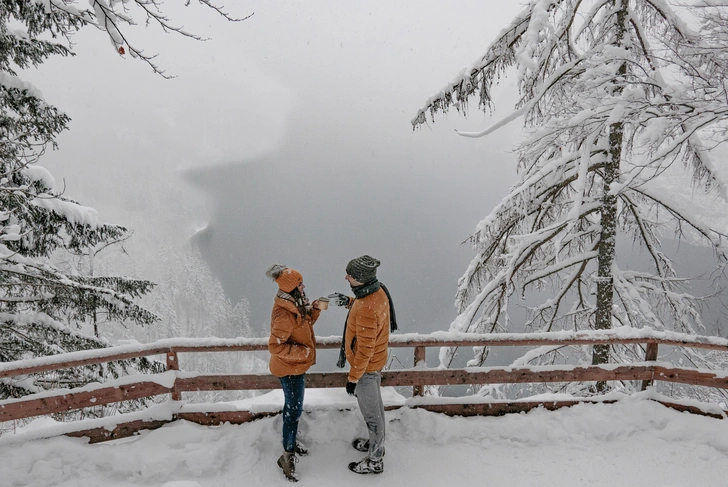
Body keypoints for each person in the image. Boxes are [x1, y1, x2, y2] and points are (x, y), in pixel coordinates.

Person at [329, 255, 397, 475]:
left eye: (349, 275)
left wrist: (353, 378)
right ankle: (376, 445)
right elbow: (368, 312)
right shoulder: (376, 291)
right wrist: (349, 302)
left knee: (372, 415)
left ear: (360, 278)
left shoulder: (367, 305)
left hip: (366, 369)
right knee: (376, 409)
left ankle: (375, 460)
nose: (345, 277)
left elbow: (364, 350)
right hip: (375, 363)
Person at [266, 264, 324, 482]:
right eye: (300, 284)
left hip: (295, 367)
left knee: (294, 409)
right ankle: (286, 455)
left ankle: (290, 444)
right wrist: (304, 352)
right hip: (289, 370)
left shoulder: (296, 304)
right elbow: (275, 346)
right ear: (291, 288)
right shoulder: (283, 313)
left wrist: (314, 310)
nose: (303, 286)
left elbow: (304, 324)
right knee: (293, 410)